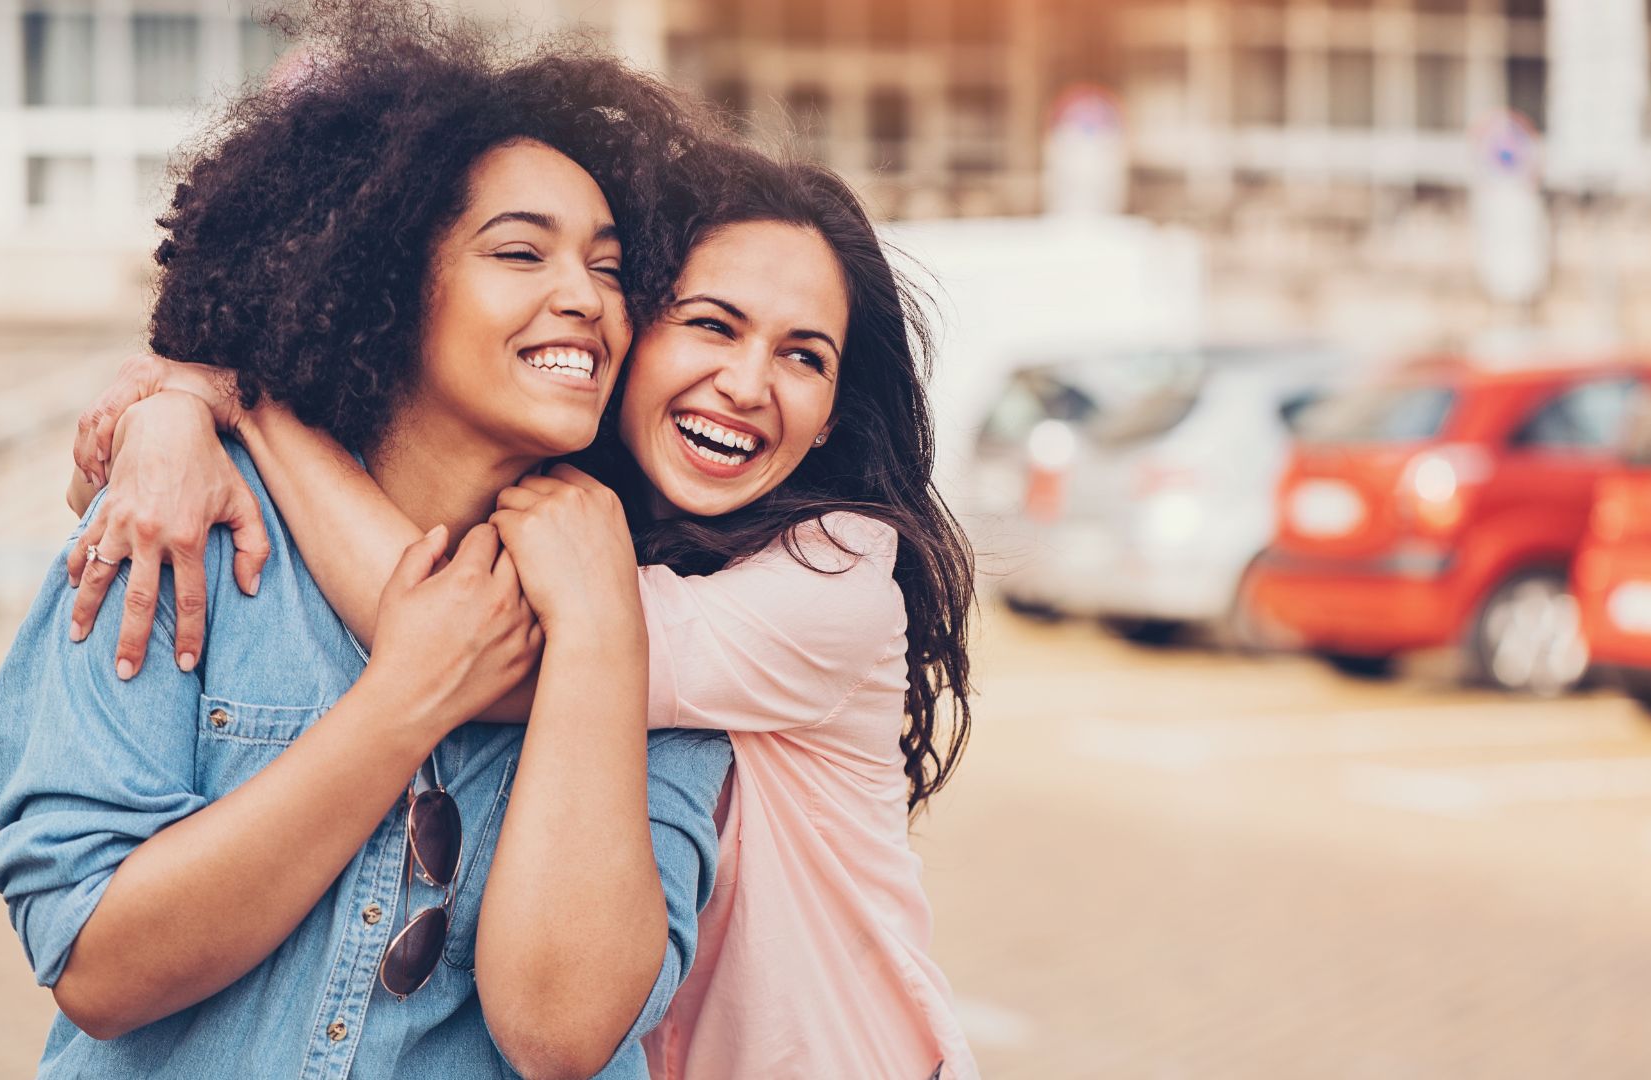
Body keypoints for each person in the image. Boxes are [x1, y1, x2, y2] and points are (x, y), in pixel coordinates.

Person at [64, 144, 982, 1077]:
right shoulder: (612, 534)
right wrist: (171, 410)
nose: (749, 384)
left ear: (831, 411)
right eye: (711, 324)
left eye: (803, 356)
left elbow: (466, 639)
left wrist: (243, 402)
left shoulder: (834, 572)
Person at [0, 6, 730, 1077]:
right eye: (521, 251)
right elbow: (98, 966)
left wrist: (603, 633)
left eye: (611, 271)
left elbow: (563, 1031)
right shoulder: (187, 518)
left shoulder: (670, 619)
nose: (584, 299)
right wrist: (407, 699)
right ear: (379, 271)